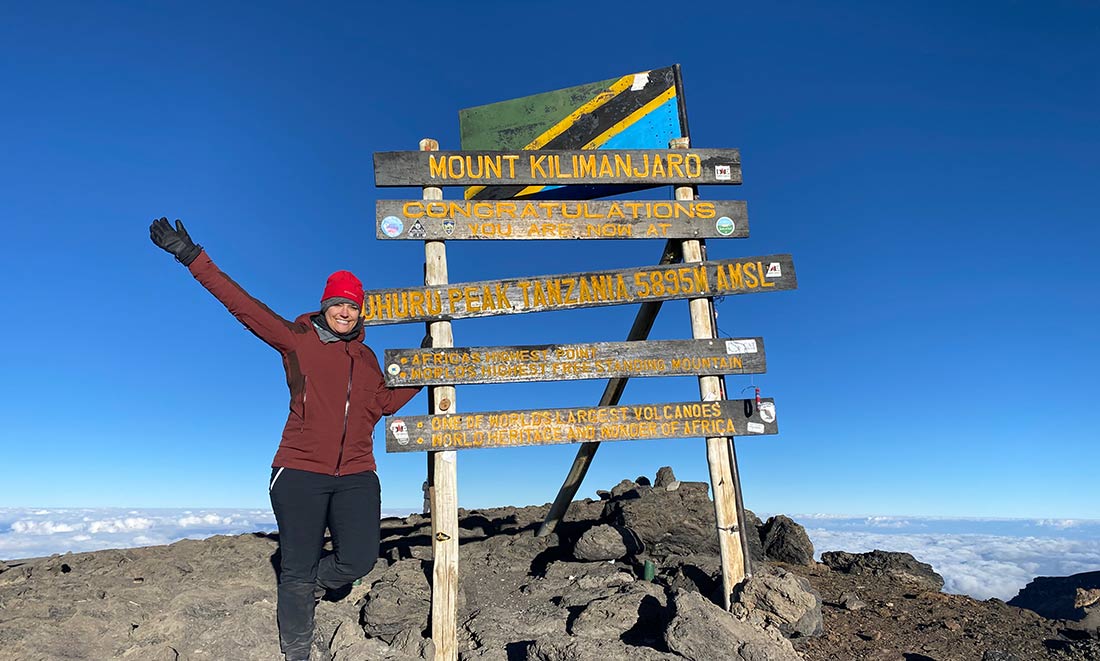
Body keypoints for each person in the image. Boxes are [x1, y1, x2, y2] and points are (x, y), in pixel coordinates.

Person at [149, 217, 421, 661]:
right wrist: (192, 257)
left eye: (353, 306)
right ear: (325, 305)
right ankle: (297, 647)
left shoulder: (368, 358)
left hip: (357, 474)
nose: (345, 312)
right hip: (298, 471)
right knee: (295, 567)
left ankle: (310, 585)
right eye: (338, 304)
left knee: (358, 560)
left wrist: (427, 374)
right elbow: (244, 306)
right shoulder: (298, 340)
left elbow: (383, 404)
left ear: (361, 312)